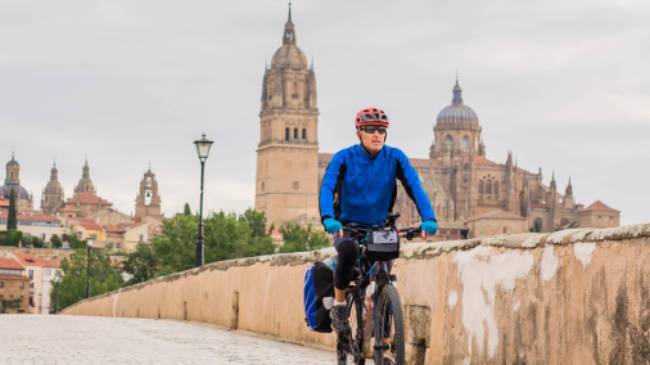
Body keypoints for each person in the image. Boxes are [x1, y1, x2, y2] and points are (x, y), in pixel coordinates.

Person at [319, 107, 438, 350]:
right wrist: (329, 218)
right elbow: (327, 187)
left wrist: (429, 218)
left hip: (381, 227)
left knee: (384, 271)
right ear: (359, 133)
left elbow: (415, 187)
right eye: (370, 130)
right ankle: (340, 308)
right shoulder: (344, 157)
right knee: (349, 253)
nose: (377, 134)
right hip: (347, 227)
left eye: (381, 130)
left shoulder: (395, 158)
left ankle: (381, 328)